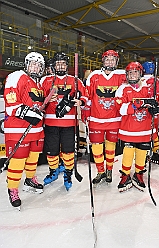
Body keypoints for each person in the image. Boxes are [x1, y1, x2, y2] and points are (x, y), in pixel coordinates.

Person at [4, 51, 45, 209]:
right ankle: (13, 188)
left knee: (33, 156)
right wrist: (28, 114)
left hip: (36, 129)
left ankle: (30, 179)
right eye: (32, 63)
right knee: (18, 159)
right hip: (18, 129)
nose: (35, 67)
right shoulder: (16, 76)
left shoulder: (38, 83)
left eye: (38, 65)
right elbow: (11, 102)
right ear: (26, 64)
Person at [41, 52, 88, 191]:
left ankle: (68, 173)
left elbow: (85, 96)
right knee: (52, 151)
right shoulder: (46, 80)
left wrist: (80, 101)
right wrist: (47, 99)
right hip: (51, 124)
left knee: (68, 151)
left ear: (67, 65)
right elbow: (39, 99)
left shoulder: (75, 81)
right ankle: (53, 171)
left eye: (63, 63)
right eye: (57, 63)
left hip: (69, 125)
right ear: (53, 65)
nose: (60, 66)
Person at [82, 50, 126, 186]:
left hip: (114, 120)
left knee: (111, 147)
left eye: (113, 59)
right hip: (96, 119)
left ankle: (109, 170)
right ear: (103, 61)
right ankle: (100, 171)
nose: (110, 62)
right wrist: (85, 112)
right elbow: (88, 97)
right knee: (96, 146)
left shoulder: (122, 75)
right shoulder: (94, 76)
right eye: (107, 59)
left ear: (117, 61)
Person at [116, 62, 159, 192]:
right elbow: (121, 109)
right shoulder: (122, 89)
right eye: (130, 72)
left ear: (140, 74)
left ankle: (139, 173)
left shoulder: (148, 89)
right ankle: (125, 174)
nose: (132, 75)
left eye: (135, 72)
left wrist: (155, 109)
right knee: (128, 152)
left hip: (145, 128)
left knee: (142, 152)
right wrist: (135, 105)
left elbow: (155, 106)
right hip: (129, 129)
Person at [142, 61, 159, 164]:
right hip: (154, 111)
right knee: (153, 131)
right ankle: (155, 150)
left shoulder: (139, 80)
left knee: (143, 132)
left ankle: (145, 152)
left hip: (142, 111)